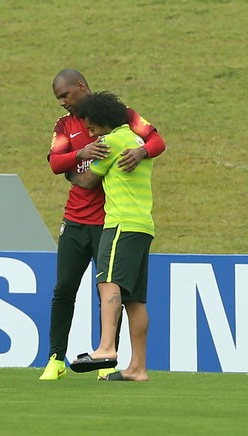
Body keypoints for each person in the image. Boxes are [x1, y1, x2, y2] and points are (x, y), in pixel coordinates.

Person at [39, 69, 165, 381]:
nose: (62, 104)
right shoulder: (65, 126)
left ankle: (106, 356)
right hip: (83, 219)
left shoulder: (120, 121)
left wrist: (141, 151)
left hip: (111, 223)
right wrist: (79, 153)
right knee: (69, 289)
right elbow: (55, 162)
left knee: (109, 290)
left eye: (65, 96)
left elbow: (157, 140)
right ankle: (58, 359)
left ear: (81, 87)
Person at [67, 91, 157, 381]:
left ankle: (106, 348)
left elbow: (87, 180)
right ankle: (138, 368)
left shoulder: (108, 143)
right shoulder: (137, 141)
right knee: (135, 300)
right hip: (143, 225)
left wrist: (69, 169)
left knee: (107, 282)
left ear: (104, 122)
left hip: (119, 224)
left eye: (92, 127)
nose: (90, 133)